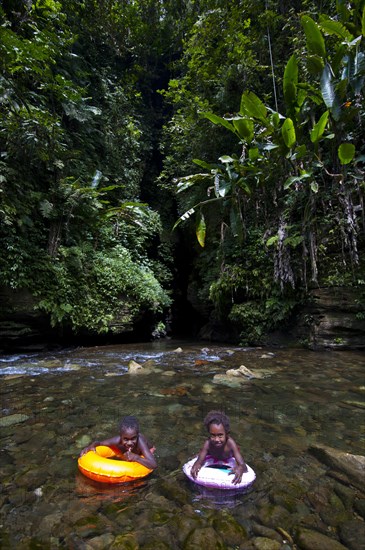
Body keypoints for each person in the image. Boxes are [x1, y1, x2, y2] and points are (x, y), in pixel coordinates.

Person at [79, 415, 157, 470]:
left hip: (148, 451)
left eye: (133, 438)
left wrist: (135, 457)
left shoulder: (140, 441)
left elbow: (154, 464)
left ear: (137, 435)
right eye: (126, 439)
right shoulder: (117, 440)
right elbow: (99, 443)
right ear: (121, 436)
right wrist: (92, 445)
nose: (129, 443)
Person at [190, 410, 247, 485]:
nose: (217, 439)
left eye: (220, 435)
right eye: (213, 435)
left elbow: (243, 466)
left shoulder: (230, 444)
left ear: (227, 434)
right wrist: (196, 464)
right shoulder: (208, 443)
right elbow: (199, 462)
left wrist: (240, 468)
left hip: (228, 458)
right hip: (211, 456)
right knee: (196, 456)